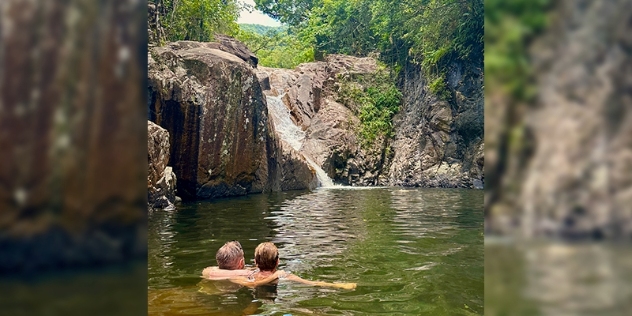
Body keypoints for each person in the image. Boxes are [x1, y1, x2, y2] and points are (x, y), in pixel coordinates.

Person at [248, 242, 356, 290]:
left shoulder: (251, 274)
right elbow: (313, 283)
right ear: (277, 262)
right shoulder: (284, 276)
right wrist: (340, 285)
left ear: (255, 261)